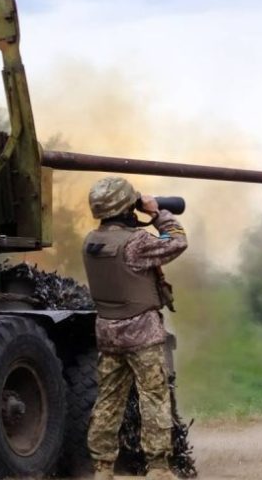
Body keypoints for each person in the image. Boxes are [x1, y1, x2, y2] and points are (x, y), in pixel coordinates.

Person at [82, 176, 188, 480]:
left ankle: (102, 467)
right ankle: (157, 467)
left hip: (108, 333)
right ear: (125, 206)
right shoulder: (136, 242)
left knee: (108, 401)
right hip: (142, 334)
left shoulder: (91, 240)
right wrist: (157, 213)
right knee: (153, 398)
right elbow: (177, 241)